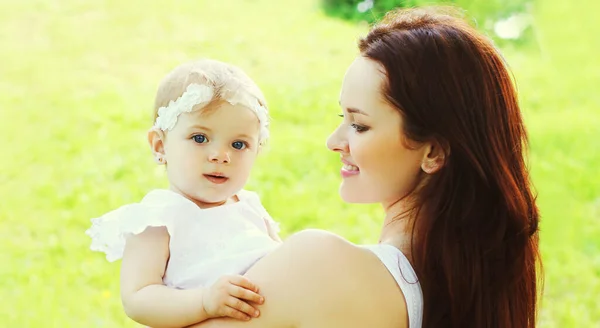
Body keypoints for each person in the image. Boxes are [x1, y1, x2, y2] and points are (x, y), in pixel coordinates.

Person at [188, 6, 542, 328]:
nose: (333, 140)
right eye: (341, 117)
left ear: (433, 152)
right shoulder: (470, 290)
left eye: (358, 124)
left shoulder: (320, 267)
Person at [85, 59, 283, 328]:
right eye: (200, 138)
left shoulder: (248, 205)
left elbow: (280, 259)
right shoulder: (160, 218)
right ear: (160, 145)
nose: (220, 156)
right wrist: (204, 301)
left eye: (239, 144)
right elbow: (138, 298)